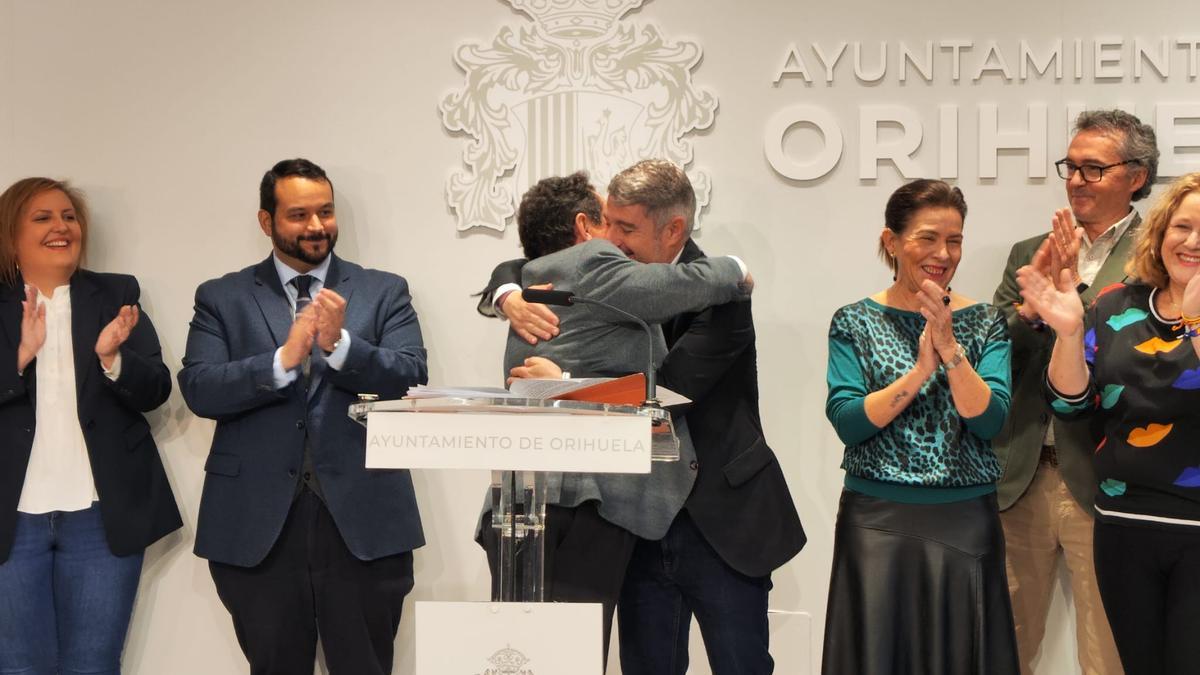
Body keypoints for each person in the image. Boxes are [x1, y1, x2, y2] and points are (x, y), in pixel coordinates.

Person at [482, 160, 805, 675]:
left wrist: (563, 385)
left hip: (720, 523)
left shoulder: (723, 298)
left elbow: (669, 394)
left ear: (672, 229)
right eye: (606, 222)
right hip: (635, 520)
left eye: (626, 228)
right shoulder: (606, 272)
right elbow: (523, 266)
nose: (610, 238)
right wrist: (507, 294)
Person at [178, 158, 428, 675]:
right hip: (256, 523)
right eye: (299, 215)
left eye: (325, 211)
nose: (317, 226)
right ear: (267, 222)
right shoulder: (221, 297)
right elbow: (200, 389)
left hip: (363, 519)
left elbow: (410, 376)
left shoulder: (384, 290)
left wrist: (340, 347)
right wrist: (281, 360)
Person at [823, 178, 1017, 674]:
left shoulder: (986, 322)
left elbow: (989, 420)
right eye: (927, 237)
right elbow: (849, 422)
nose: (943, 253)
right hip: (876, 520)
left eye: (954, 240)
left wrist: (950, 351)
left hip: (965, 519)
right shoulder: (854, 321)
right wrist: (920, 371)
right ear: (892, 242)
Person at [1017, 172, 1200, 675]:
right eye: (1182, 226)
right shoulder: (1119, 302)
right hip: (1124, 526)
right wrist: (1070, 334)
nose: (1192, 241)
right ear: (1161, 233)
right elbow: (1071, 405)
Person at [993, 109, 1155, 674]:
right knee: (1002, 644)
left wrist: (1071, 299)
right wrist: (1027, 310)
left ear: (1135, 175)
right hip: (1021, 475)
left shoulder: (1158, 254)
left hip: (1108, 481)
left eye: (1094, 168)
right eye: (1071, 167)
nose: (1077, 180)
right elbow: (996, 350)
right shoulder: (1028, 251)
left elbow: (1142, 355)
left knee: (1107, 653)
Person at [0, 177, 182, 675]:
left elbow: (157, 389)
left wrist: (112, 359)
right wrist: (18, 355)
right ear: (10, 234)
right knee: (17, 666)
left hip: (101, 518)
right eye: (43, 218)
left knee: (94, 665)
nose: (62, 227)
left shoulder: (117, 293)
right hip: (12, 522)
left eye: (69, 217)